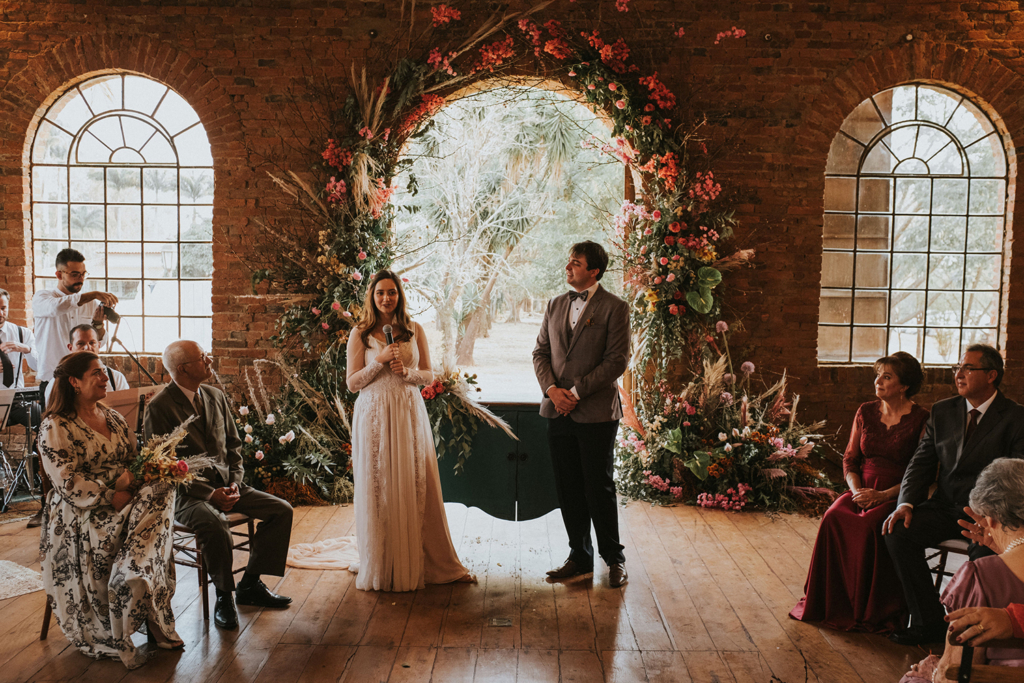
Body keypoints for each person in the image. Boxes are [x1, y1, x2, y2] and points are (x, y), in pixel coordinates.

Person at [38, 351, 182, 669]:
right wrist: (110, 495)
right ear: (74, 382)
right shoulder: (55, 426)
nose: (106, 377)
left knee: (165, 487)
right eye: (97, 373)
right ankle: (141, 589)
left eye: (104, 371)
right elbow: (67, 483)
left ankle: (135, 571)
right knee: (153, 529)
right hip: (82, 510)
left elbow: (132, 458)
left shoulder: (113, 417)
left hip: (125, 499)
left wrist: (148, 471)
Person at [144, 341, 293, 629]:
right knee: (214, 523)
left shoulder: (214, 395)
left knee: (281, 510)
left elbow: (234, 447)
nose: (209, 360)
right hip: (187, 495)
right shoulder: (159, 407)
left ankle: (249, 584)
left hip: (229, 485)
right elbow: (162, 467)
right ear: (183, 368)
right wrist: (209, 494)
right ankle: (224, 595)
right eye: (202, 357)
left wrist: (234, 484)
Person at [341, 270, 474, 592]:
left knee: (414, 480)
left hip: (406, 410)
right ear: (372, 298)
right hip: (373, 413)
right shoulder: (359, 334)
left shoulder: (415, 330)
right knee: (379, 483)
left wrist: (408, 372)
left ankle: (425, 558)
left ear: (400, 295)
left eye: (392, 292)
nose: (386, 298)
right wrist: (380, 361)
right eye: (380, 293)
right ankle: (382, 560)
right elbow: (352, 383)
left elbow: (429, 375)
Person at [883, 344, 1024, 646]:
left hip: (987, 518)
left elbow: (1015, 478)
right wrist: (906, 503)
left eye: (967, 368)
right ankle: (929, 621)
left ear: (991, 375)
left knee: (985, 558)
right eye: (957, 368)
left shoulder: (1015, 417)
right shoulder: (943, 410)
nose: (958, 374)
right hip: (944, 507)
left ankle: (978, 631)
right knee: (897, 532)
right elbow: (921, 462)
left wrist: (993, 522)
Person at [791, 352, 928, 633]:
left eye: (886, 376)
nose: (878, 380)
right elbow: (850, 460)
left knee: (867, 525)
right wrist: (856, 491)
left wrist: (885, 495)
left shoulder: (922, 418)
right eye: (877, 374)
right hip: (861, 489)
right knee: (832, 516)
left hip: (898, 493)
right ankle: (830, 602)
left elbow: (923, 472)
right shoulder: (865, 411)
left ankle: (869, 609)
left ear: (904, 385)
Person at [533, 241, 630, 588]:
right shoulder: (555, 304)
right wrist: (553, 391)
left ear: (594, 271)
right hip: (557, 411)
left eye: (576, 263)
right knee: (568, 487)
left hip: (597, 414)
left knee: (598, 486)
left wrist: (575, 392)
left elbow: (617, 360)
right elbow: (540, 353)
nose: (568, 267)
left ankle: (614, 559)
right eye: (568, 261)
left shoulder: (615, 308)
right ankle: (579, 556)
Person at [900, 459, 1024, 682]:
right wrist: (1001, 549)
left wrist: (933, 671)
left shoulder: (978, 577)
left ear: (991, 518)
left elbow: (955, 675)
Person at [32, 248, 118, 395]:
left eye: (83, 274)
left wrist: (98, 325)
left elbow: (100, 343)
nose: (81, 278)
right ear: (59, 274)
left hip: (85, 383)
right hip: (54, 381)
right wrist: (94, 294)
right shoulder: (42, 298)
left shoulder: (90, 304)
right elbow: (57, 307)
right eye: (75, 274)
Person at [43, 324, 129, 406]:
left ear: (99, 346)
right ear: (70, 348)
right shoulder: (57, 382)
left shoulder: (116, 378)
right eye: (80, 343)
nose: (87, 348)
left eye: (92, 343)